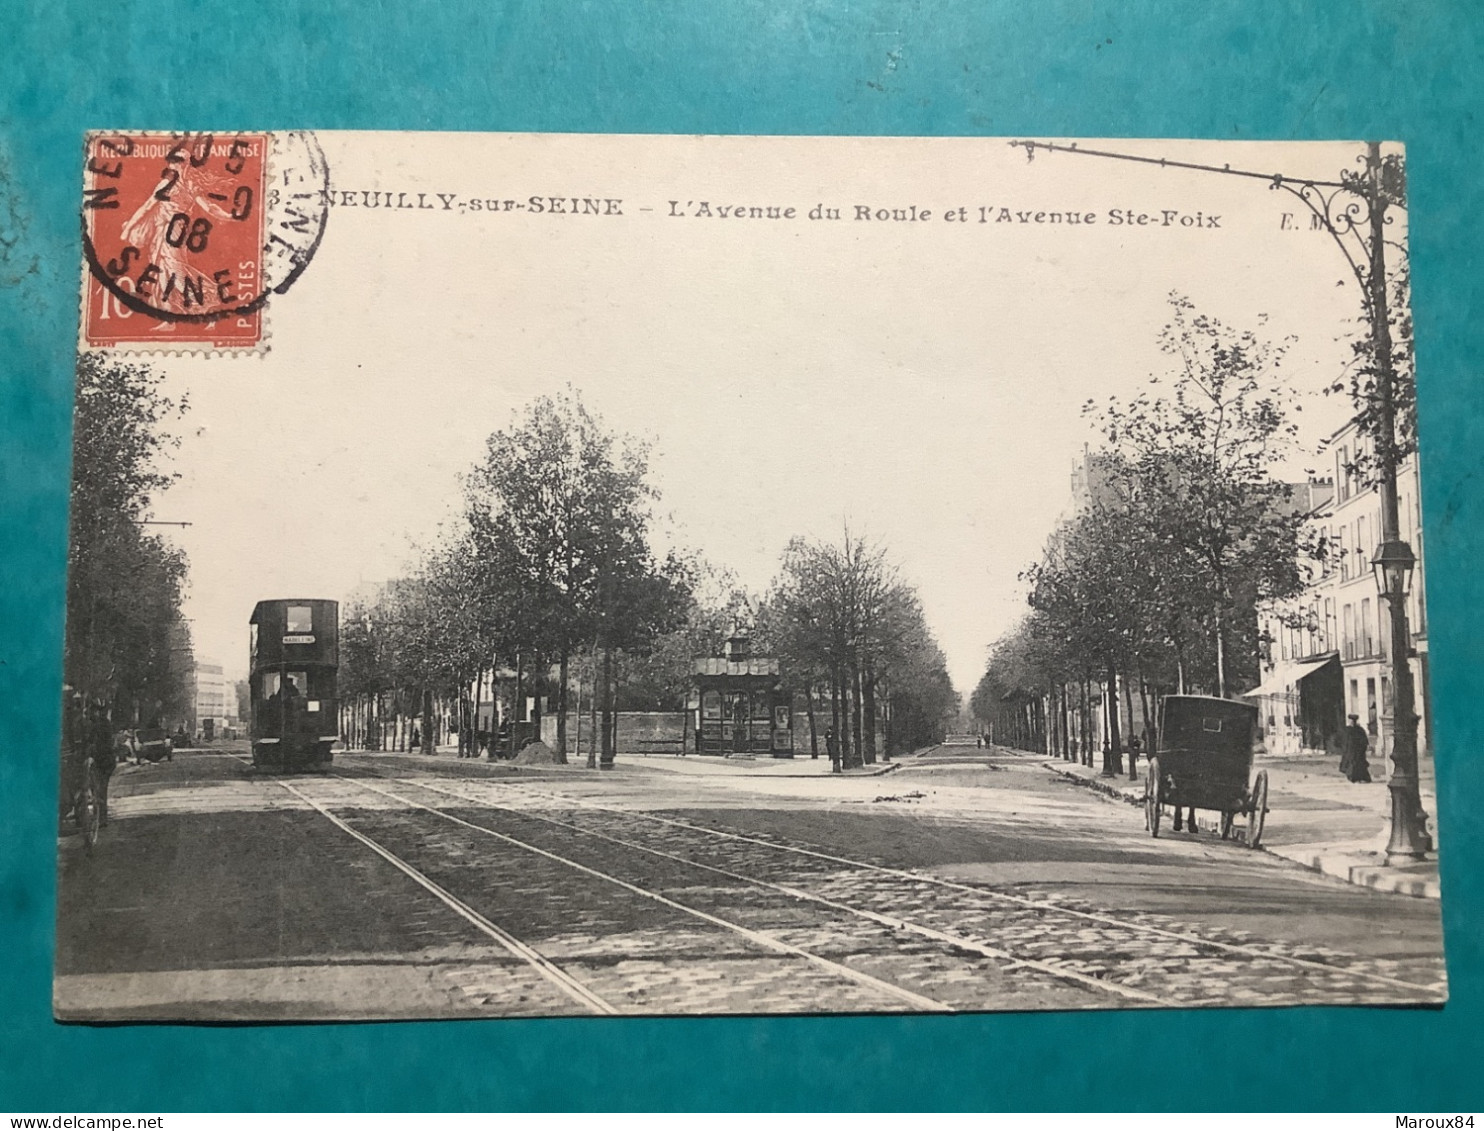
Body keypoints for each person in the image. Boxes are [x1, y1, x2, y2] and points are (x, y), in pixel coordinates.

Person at [1341, 713, 1373, 783]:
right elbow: (1344, 740)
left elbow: (1364, 740)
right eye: (1351, 720)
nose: (1352, 722)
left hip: (1358, 751)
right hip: (1350, 750)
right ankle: (1352, 777)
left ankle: (1360, 777)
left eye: (1353, 721)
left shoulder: (1360, 730)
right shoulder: (1347, 730)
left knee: (1359, 764)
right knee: (1351, 763)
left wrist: (1363, 748)